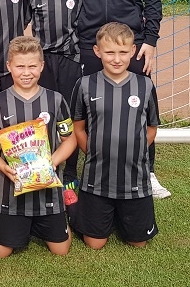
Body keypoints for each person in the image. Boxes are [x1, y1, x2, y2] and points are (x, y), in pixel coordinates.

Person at [71, 0, 170, 199]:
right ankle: (88, 170)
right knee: (89, 107)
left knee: (137, 108)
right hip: (90, 42)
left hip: (132, 42)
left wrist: (150, 39)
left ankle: (146, 172)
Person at [0, 36, 77, 257]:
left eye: (32, 66)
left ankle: (61, 213)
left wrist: (53, 162)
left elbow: (70, 139)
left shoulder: (56, 100)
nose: (26, 72)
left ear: (42, 66)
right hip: (10, 192)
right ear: (9, 66)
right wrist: (3, 167)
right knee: (1, 252)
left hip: (47, 191)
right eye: (20, 66)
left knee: (61, 251)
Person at [69, 22, 159, 249]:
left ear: (132, 51)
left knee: (138, 242)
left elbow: (152, 127)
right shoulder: (85, 84)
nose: (116, 59)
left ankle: (121, 215)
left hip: (134, 178)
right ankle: (72, 206)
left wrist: (138, 149)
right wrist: (93, 151)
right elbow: (78, 127)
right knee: (94, 243)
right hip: (97, 178)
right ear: (97, 51)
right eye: (109, 52)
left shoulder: (145, 85)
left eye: (122, 52)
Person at [24, 0, 84, 189]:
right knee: (42, 114)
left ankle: (69, 171)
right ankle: (40, 166)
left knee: (69, 115)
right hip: (43, 62)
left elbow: (82, 26)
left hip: (70, 60)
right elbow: (22, 25)